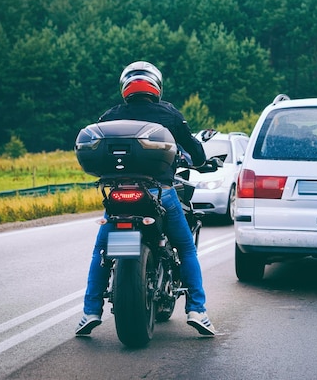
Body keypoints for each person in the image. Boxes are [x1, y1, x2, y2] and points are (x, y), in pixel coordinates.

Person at [75, 61, 216, 337]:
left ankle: (90, 311)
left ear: (125, 86)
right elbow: (195, 153)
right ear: (156, 86)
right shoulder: (169, 113)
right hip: (159, 192)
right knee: (186, 248)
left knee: (101, 252)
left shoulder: (111, 116)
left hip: (117, 195)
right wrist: (202, 161)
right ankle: (197, 310)